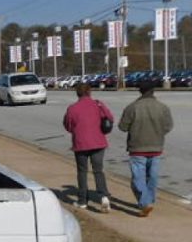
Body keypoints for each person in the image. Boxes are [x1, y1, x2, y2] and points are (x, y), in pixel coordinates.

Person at [118, 80, 174, 217]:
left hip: (137, 148)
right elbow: (168, 126)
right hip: (156, 147)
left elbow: (123, 127)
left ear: (140, 91)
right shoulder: (163, 107)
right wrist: (157, 132)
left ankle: (145, 202)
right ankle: (149, 200)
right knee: (152, 176)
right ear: (153, 91)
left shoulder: (132, 107)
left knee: (138, 178)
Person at [62, 83, 114, 212]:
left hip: (81, 144)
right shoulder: (98, 105)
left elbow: (68, 126)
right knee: (98, 170)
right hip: (98, 142)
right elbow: (110, 118)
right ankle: (103, 196)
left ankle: (82, 200)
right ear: (90, 92)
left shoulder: (72, 108)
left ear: (77, 93)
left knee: (82, 172)